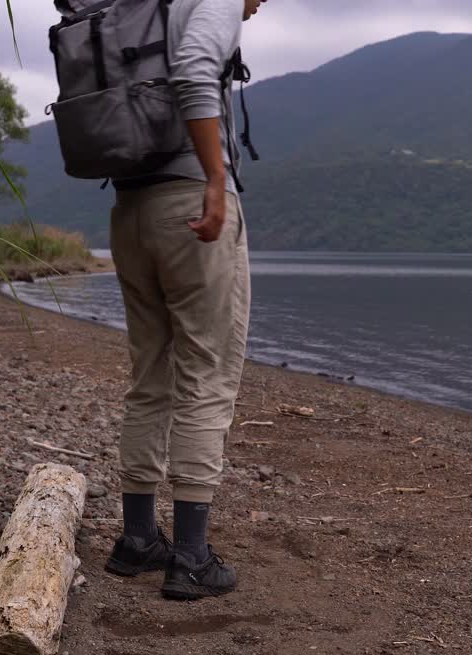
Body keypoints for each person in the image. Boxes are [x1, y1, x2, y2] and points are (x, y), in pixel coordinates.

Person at [104, 0, 268, 601]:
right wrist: (216, 180)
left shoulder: (140, 9)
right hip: (190, 206)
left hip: (131, 209)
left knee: (150, 377)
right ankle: (192, 558)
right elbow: (197, 70)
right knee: (207, 374)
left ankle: (138, 539)